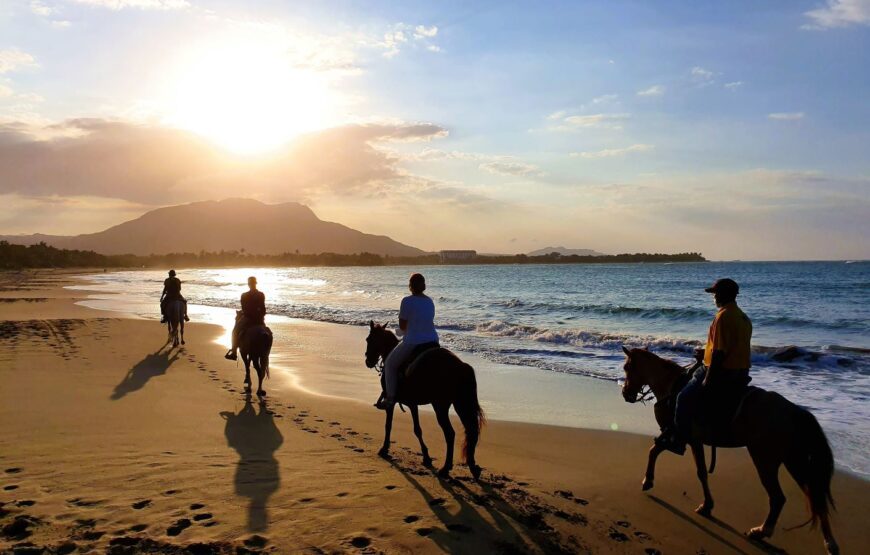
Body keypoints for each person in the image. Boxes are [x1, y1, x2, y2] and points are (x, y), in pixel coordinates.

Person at [663, 278, 753, 454]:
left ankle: (678, 440)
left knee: (683, 398)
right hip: (742, 372)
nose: (714, 297)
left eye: (716, 293)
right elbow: (732, 347)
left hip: (722, 372)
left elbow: (719, 354)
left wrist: (708, 380)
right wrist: (705, 353)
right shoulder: (743, 317)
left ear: (725, 295)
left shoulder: (723, 316)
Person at [377, 273, 439, 410]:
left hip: (414, 341)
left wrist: (402, 332)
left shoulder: (407, 301)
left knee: (389, 365)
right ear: (424, 286)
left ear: (410, 286)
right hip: (433, 341)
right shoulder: (430, 301)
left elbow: (403, 326)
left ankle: (390, 399)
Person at [225, 276, 266, 360]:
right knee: (266, 332)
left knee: (235, 331)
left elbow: (244, 309)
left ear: (248, 284)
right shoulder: (261, 294)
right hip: (259, 320)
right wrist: (261, 316)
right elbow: (263, 308)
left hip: (248, 319)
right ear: (256, 283)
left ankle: (234, 352)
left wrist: (249, 314)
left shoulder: (244, 295)